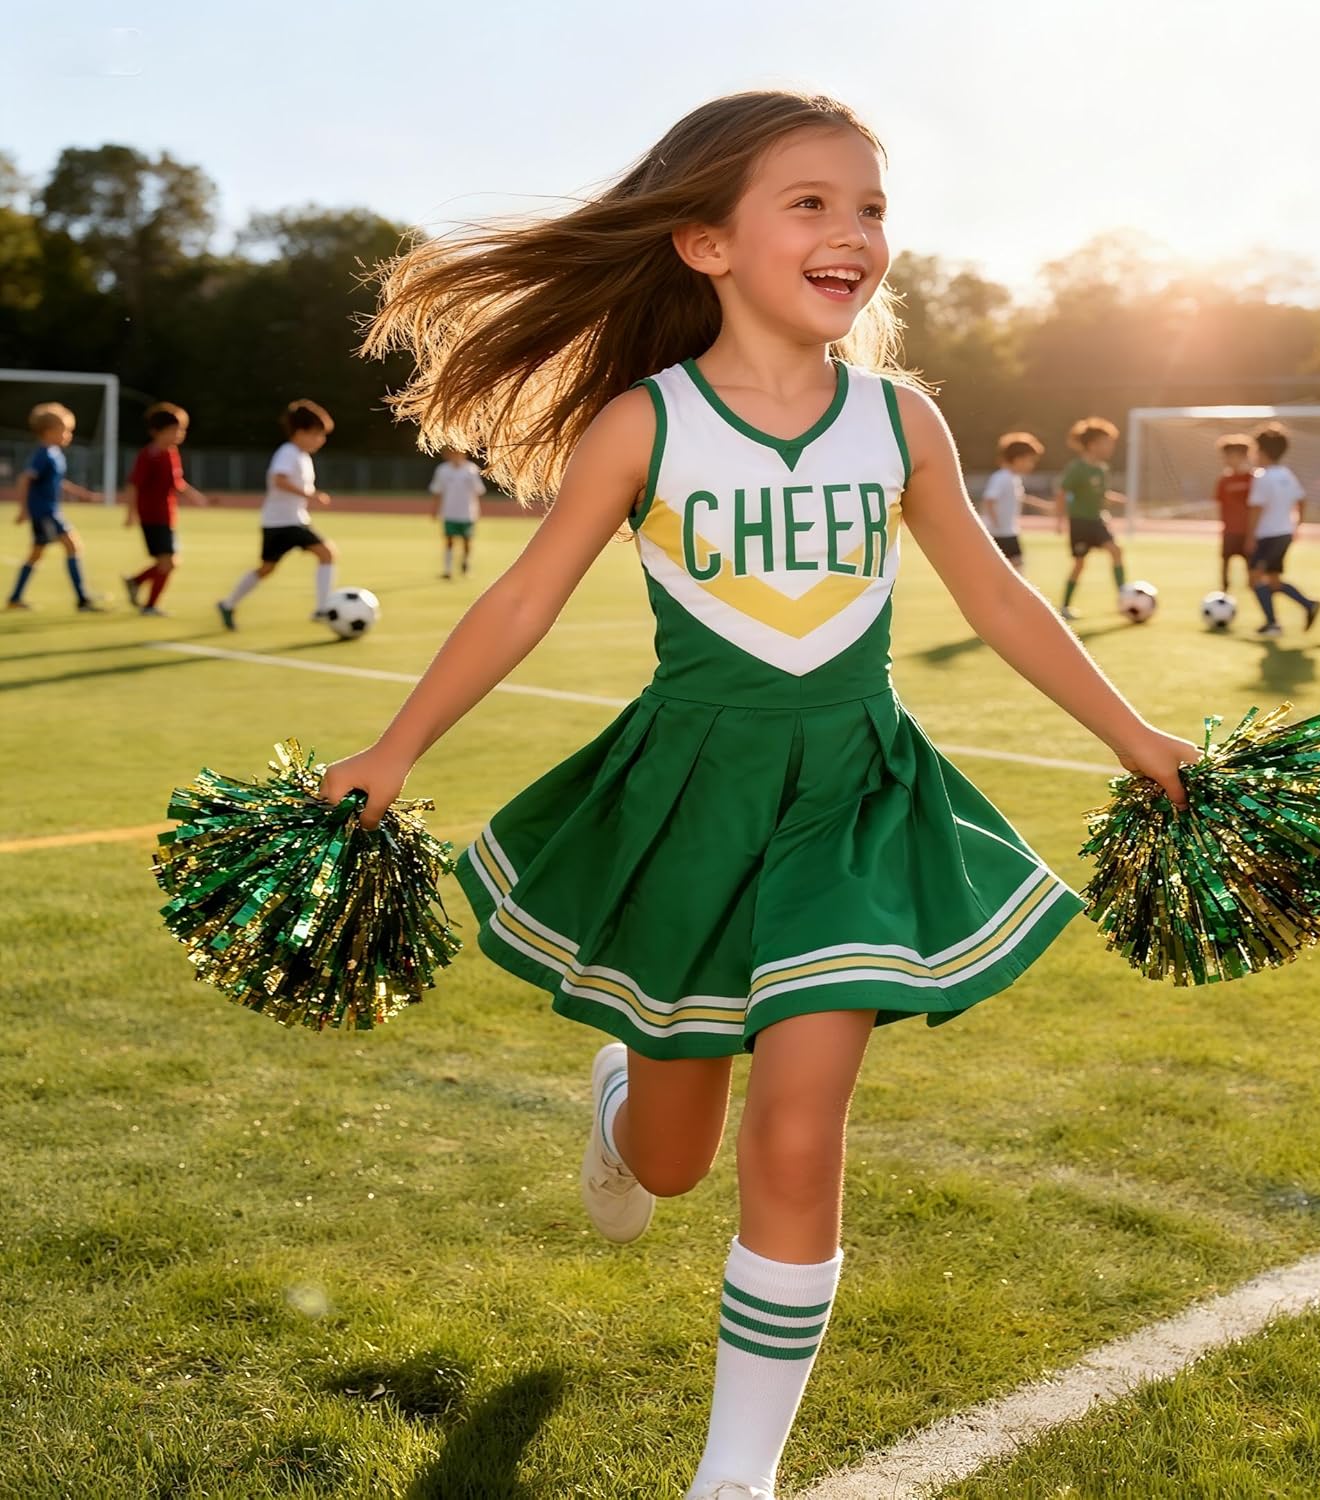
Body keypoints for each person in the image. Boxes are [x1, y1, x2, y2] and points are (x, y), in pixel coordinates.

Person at [318, 91, 1197, 1500]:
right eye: (812, 203)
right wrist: (395, 747)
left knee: (799, 1126)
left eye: (872, 208)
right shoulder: (646, 423)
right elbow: (525, 599)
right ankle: (623, 1104)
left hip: (854, 795)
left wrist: (1135, 733)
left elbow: (997, 597)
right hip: (692, 798)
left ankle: (736, 1477)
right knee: (674, 1163)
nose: (854, 233)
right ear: (705, 242)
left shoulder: (901, 422)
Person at [216, 400, 337, 630]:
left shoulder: (302, 456)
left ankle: (227, 604)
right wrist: (310, 495)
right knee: (326, 553)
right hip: (282, 523)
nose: (321, 440)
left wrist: (308, 498)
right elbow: (279, 480)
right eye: (317, 434)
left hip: (292, 521)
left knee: (268, 568)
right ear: (300, 433)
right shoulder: (288, 452)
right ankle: (322, 610)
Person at [7, 402, 104, 612]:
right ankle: (82, 600)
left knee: (36, 554)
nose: (68, 435)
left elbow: (58, 482)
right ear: (49, 431)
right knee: (72, 546)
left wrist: (84, 495)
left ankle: (15, 598)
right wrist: (23, 509)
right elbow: (25, 479)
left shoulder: (55, 453)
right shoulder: (43, 454)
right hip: (45, 512)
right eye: (65, 430)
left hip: (49, 511)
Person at [122, 402, 207, 616]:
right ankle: (149, 604)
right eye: (174, 430)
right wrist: (131, 513)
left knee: (169, 562)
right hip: (152, 516)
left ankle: (136, 582)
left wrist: (194, 496)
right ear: (157, 431)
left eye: (181, 430)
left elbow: (177, 482)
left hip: (167, 515)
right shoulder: (149, 455)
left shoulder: (172, 453)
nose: (179, 434)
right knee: (167, 562)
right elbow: (133, 484)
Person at [1247, 422, 1320, 638]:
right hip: (1285, 533)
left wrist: (1250, 537)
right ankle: (1308, 605)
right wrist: (1298, 525)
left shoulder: (1262, 476)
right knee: (1274, 581)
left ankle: (1272, 624)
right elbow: (1302, 500)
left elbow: (1256, 509)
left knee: (1254, 579)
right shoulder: (1286, 474)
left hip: (1267, 536)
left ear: (1261, 450)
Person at [1055, 416, 1128, 620]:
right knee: (1079, 564)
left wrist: (1120, 500)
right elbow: (1062, 492)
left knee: (1116, 550)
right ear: (1093, 445)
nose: (1111, 447)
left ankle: (1124, 599)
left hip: (1097, 521)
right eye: (1107, 443)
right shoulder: (1077, 468)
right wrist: (1059, 520)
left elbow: (1101, 495)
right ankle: (1065, 606)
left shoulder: (1102, 469)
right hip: (1079, 523)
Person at [979, 431, 1047, 572]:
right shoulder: (1001, 477)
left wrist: (1045, 506)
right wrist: (995, 522)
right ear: (1017, 459)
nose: (1032, 465)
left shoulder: (1013, 478)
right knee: (1015, 567)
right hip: (1000, 533)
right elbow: (989, 499)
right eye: (1030, 460)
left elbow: (1020, 497)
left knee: (1012, 568)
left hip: (1008, 532)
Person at [429, 447, 485, 577]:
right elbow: (438, 491)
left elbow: (478, 491)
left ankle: (465, 564)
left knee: (467, 540)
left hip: (467, 512)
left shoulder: (471, 470)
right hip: (449, 512)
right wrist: (435, 510)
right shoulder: (442, 470)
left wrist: (478, 511)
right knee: (449, 540)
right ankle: (447, 569)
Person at [1213, 433, 1254, 593]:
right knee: (1225, 562)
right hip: (1230, 531)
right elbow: (1220, 504)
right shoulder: (1224, 481)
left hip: (1248, 532)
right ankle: (1223, 594)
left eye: (1231, 456)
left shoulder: (1253, 479)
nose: (1227, 460)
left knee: (1252, 569)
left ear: (1243, 457)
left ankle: (1257, 593)